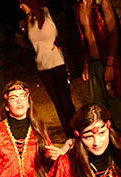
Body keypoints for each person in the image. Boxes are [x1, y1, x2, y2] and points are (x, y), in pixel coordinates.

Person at [75, 0, 121, 135]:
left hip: (109, 60)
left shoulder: (102, 3)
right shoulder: (79, 7)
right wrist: (86, 64)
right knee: (99, 106)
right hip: (93, 63)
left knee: (119, 102)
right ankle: (112, 140)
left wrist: (110, 63)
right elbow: (84, 39)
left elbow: (114, 34)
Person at [18, 0, 76, 135]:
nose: (20, 7)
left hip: (57, 61)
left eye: (23, 3)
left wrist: (60, 42)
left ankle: (76, 129)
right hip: (42, 65)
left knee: (65, 101)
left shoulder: (49, 13)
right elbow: (27, 44)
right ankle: (69, 134)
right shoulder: (26, 22)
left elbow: (65, 28)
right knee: (57, 102)